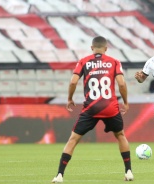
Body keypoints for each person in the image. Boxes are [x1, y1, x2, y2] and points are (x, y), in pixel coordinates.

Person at [51, 36, 133, 183]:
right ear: (106, 49)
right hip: (110, 108)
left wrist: (69, 98)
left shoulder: (83, 61)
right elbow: (121, 84)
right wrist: (125, 102)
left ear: (91, 48)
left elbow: (73, 82)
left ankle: (59, 175)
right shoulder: (114, 62)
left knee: (73, 139)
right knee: (120, 135)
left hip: (91, 107)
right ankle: (128, 172)